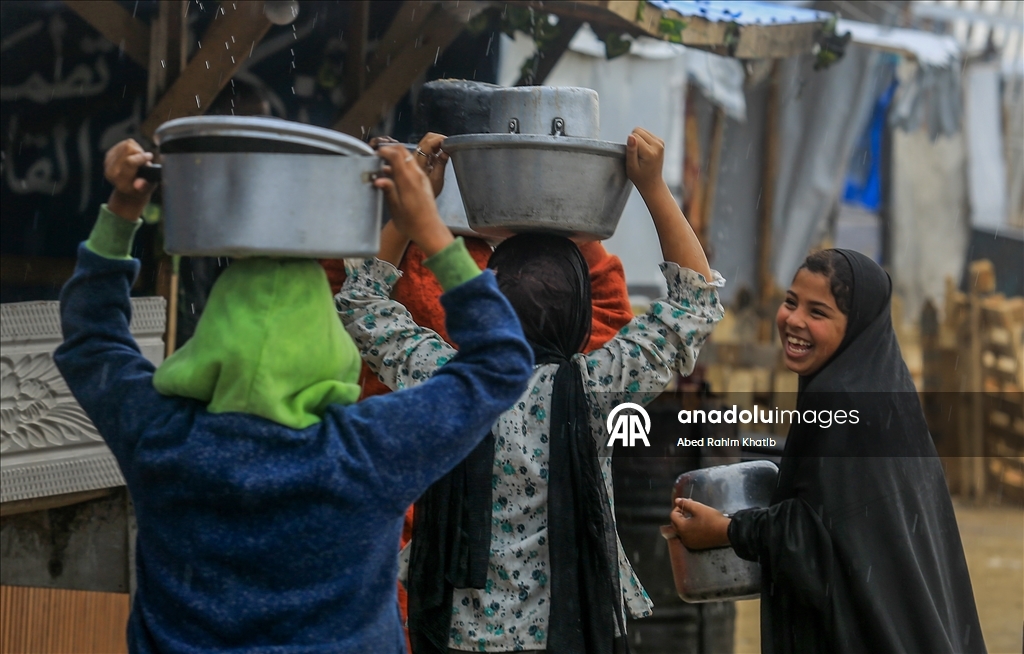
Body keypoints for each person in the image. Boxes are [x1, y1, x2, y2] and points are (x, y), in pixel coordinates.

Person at [53, 139, 534, 652]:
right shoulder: (369, 452)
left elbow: (91, 339)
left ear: (212, 335)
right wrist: (429, 230)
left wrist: (124, 208)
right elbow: (500, 365)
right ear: (327, 343)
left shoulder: (161, 439)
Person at [336, 127, 725, 653]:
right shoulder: (596, 389)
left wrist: (414, 211)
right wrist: (652, 188)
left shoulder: (447, 382)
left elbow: (361, 301)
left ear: (486, 306)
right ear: (581, 318)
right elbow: (695, 304)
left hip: (453, 633)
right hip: (566, 631)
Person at [669, 249, 986, 653]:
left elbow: (815, 537)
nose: (794, 321)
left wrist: (726, 529)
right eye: (790, 302)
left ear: (855, 328)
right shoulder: (886, 390)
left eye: (818, 312)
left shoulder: (839, 403)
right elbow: (849, 519)